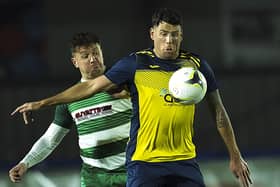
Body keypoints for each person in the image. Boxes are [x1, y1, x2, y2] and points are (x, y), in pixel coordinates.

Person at [11, 8, 252, 187]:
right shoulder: (128, 68)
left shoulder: (191, 68)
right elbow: (53, 136)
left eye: (175, 35)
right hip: (116, 171)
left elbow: (217, 111)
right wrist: (40, 106)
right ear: (152, 34)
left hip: (160, 163)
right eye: (86, 55)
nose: (169, 41)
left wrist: (234, 154)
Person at [9, 32, 132, 187]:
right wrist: (25, 163)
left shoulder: (125, 84)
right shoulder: (69, 100)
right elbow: (50, 139)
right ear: (75, 62)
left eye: (96, 53)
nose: (93, 59)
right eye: (85, 56)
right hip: (94, 178)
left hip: (130, 170)